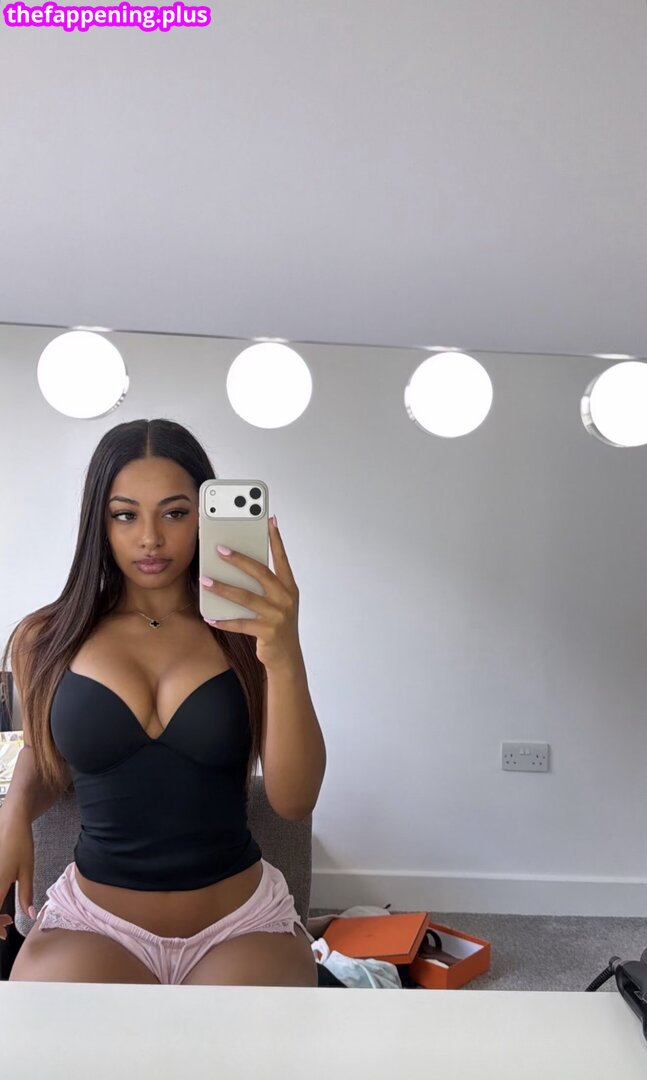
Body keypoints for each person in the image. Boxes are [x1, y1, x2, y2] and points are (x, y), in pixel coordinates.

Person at [0, 418, 326, 986]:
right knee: (40, 1034)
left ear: (204, 517)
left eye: (175, 513)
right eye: (125, 515)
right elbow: (45, 756)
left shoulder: (249, 636)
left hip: (239, 924)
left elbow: (294, 801)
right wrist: (13, 814)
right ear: (99, 522)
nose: (150, 538)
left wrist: (285, 653)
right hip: (95, 924)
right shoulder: (46, 639)